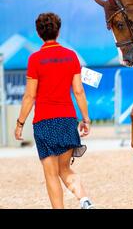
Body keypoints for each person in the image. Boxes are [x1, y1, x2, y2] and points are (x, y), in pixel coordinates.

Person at [14, 12, 95, 209]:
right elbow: (78, 90)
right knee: (65, 169)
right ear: (58, 31)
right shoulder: (71, 56)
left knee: (51, 174)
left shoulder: (35, 59)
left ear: (38, 33)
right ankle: (84, 199)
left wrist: (20, 123)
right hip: (67, 120)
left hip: (44, 122)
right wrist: (86, 118)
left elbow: (29, 96)